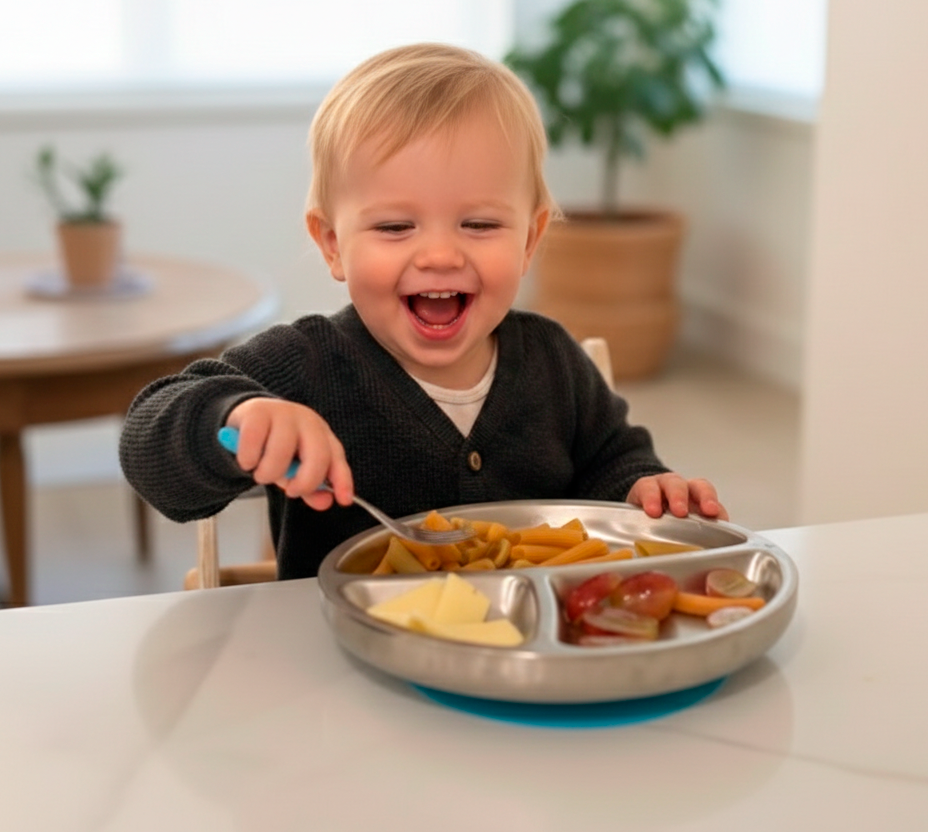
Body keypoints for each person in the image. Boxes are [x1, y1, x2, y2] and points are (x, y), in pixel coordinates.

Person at [119, 43, 726, 580]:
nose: (439, 254)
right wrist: (239, 418)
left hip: (528, 664)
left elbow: (613, 463)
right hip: (344, 674)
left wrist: (646, 490)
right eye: (395, 226)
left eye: (480, 224)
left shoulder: (553, 361)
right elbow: (150, 447)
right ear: (333, 244)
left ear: (530, 240)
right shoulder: (304, 365)